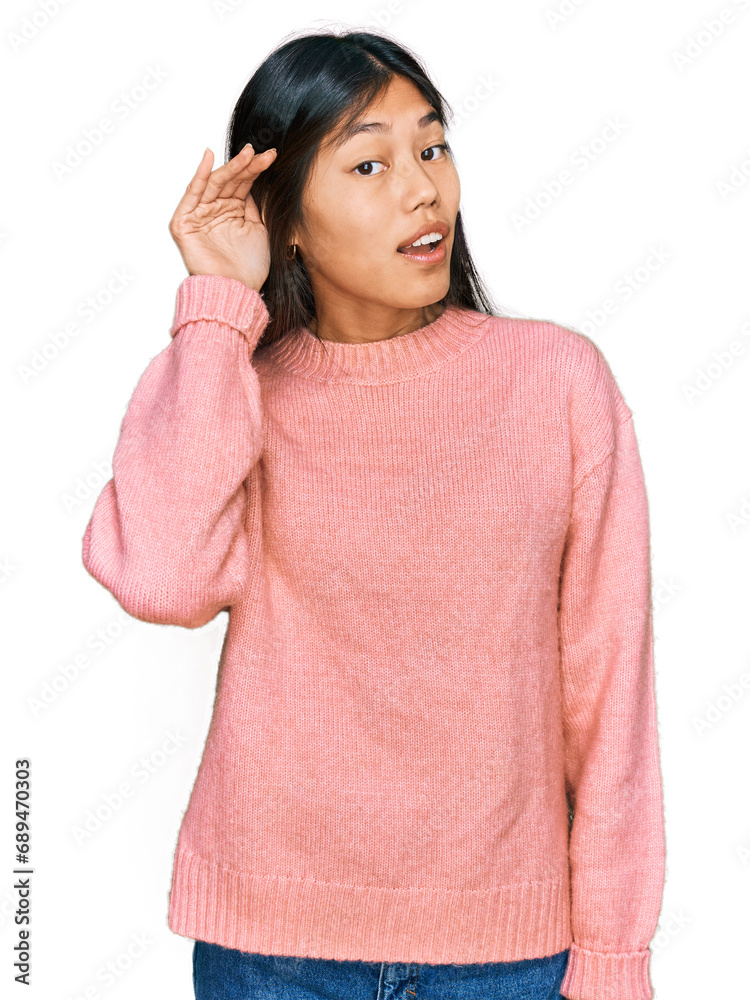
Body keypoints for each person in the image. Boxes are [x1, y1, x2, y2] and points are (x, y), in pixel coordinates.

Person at [81, 28, 666, 1000]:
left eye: (432, 146)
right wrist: (219, 301)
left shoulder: (557, 382)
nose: (422, 189)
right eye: (369, 161)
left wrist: (614, 956)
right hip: (270, 949)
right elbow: (164, 578)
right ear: (288, 218)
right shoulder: (225, 382)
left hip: (507, 957)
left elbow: (610, 690)